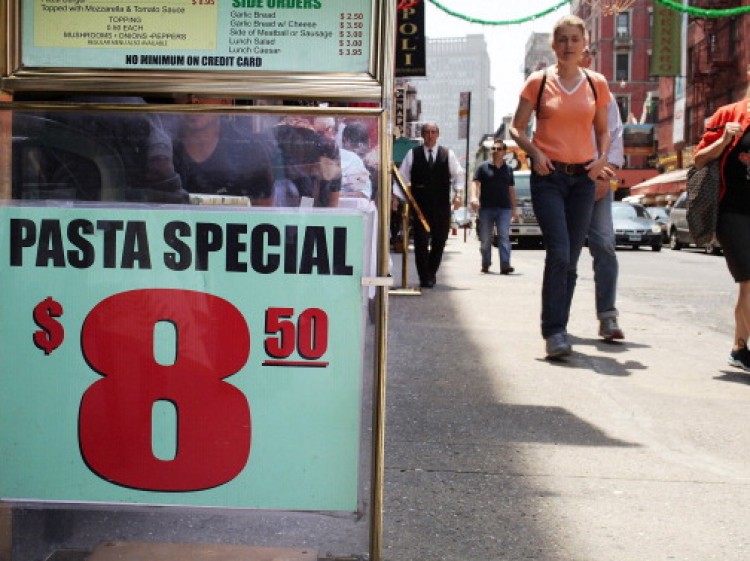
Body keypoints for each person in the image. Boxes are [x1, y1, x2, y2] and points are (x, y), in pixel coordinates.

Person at [509, 15, 612, 358]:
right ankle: (553, 332)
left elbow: (603, 129)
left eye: (575, 40)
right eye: (562, 40)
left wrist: (601, 160)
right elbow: (516, 128)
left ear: (585, 45)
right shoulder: (538, 83)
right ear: (554, 46)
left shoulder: (596, 83)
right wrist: (535, 153)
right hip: (548, 176)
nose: (569, 46)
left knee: (571, 258)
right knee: (559, 251)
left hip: (583, 178)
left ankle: (560, 329)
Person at [693, 64, 750, 371]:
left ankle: (740, 347)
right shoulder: (728, 115)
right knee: (749, 280)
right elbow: (699, 159)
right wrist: (724, 141)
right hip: (733, 211)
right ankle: (741, 348)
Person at [580, 47, 626, 341]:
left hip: (597, 179)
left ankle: (607, 316)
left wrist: (604, 176)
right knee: (565, 252)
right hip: (564, 180)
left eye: (587, 52)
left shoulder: (603, 93)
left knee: (605, 245)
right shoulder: (551, 88)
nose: (584, 57)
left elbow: (616, 136)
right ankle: (556, 322)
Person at [171, 96, 274, 206]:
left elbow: (263, 208)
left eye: (202, 91)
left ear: (225, 101)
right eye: (184, 91)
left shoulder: (249, 149)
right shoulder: (162, 147)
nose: (193, 100)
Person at [398, 122, 464, 288]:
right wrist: (397, 198)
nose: (430, 135)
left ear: (438, 134)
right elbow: (402, 177)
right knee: (420, 242)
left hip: (441, 206)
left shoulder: (447, 154)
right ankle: (424, 276)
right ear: (422, 134)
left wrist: (459, 193)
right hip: (420, 206)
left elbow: (459, 174)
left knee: (439, 242)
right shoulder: (413, 154)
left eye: (433, 132)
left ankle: (431, 272)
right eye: (427, 132)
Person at [469, 140, 517, 274]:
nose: (496, 151)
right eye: (494, 148)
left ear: (504, 152)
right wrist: (474, 197)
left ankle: (505, 265)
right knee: (485, 239)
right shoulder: (483, 167)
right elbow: (475, 183)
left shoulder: (508, 170)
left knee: (503, 236)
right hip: (486, 208)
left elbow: (511, 189)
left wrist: (514, 208)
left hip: (504, 209)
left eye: (499, 148)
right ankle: (486, 263)